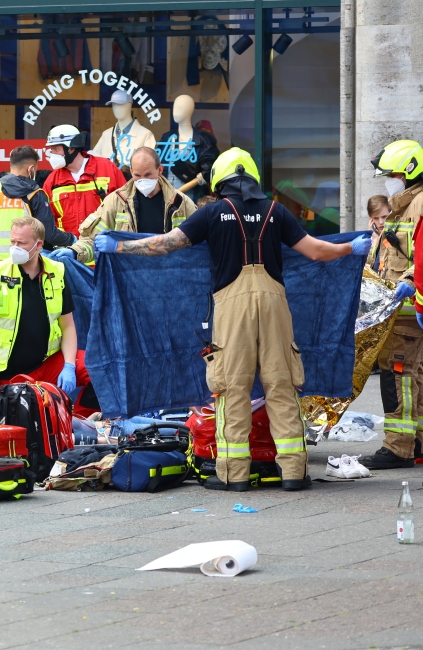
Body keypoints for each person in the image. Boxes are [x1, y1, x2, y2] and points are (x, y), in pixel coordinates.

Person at [95, 147, 371, 489]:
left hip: (230, 305)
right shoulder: (276, 211)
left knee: (231, 388)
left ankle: (234, 475)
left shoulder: (212, 213)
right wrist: (350, 248)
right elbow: (315, 250)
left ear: (220, 181)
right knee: (282, 386)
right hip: (275, 305)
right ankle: (294, 473)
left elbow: (167, 244)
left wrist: (119, 248)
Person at [0, 217, 90, 399]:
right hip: (8, 374)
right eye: (12, 241)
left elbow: (67, 325)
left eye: (21, 243)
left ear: (38, 245)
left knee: (97, 367)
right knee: (23, 421)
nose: (15, 247)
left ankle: (82, 420)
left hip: (47, 364)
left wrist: (69, 365)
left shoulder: (56, 272)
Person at [361, 140, 423, 469]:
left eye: (393, 174)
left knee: (399, 374)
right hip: (406, 308)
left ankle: (398, 446)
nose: (389, 180)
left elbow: (420, 256)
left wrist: (409, 283)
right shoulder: (405, 205)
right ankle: (417, 442)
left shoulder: (418, 204)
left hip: (409, 308)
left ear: (408, 172)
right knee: (415, 374)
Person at [51, 147, 196, 266]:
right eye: (138, 175)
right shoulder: (116, 201)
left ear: (160, 170)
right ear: (131, 171)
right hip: (129, 279)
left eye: (148, 174)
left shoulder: (181, 203)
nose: (143, 180)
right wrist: (75, 252)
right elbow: (92, 239)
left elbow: (200, 240)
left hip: (170, 276)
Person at [0, 146, 75, 263]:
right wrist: (72, 239)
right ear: (31, 169)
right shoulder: (34, 194)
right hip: (24, 262)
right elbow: (49, 234)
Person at [42, 124, 127, 237]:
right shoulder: (52, 181)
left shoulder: (107, 169)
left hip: (103, 247)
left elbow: (126, 208)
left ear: (71, 148)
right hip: (68, 250)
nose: (52, 155)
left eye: (56, 149)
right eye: (51, 150)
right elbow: (48, 220)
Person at [366, 194, 392, 273]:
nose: (381, 222)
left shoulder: (395, 235)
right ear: (371, 220)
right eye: (376, 218)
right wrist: (372, 240)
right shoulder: (368, 239)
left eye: (384, 217)